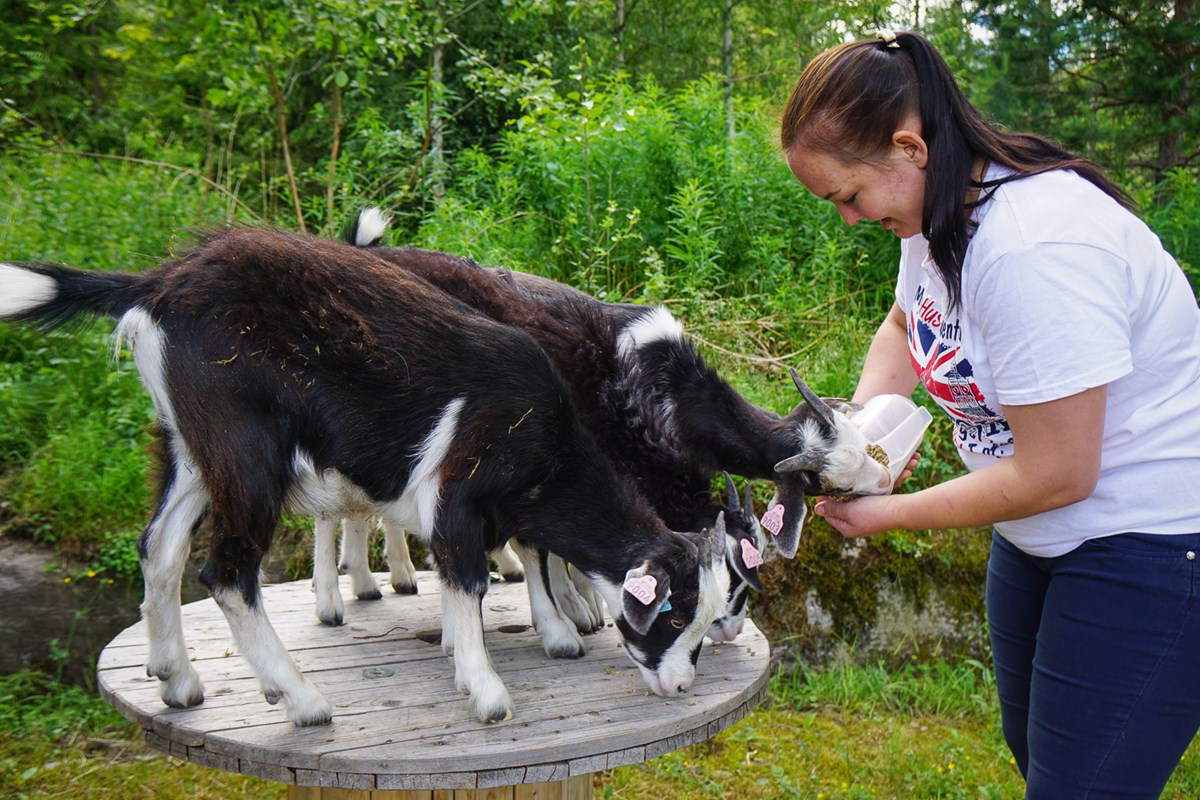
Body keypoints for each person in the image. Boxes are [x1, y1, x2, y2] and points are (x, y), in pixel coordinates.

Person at [778, 28, 1200, 800]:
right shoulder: (938, 215)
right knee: (1043, 759)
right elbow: (908, 322)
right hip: (1038, 538)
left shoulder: (1033, 249)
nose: (847, 219)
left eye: (847, 196)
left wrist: (891, 514)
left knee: (1085, 786)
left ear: (909, 147)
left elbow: (1059, 469)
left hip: (1149, 545)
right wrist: (870, 425)